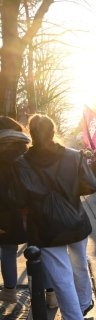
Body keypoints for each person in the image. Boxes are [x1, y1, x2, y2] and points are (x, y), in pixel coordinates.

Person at [11, 114, 96, 320]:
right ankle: (84, 303)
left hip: (45, 227)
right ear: (53, 131)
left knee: (61, 276)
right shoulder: (72, 156)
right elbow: (92, 185)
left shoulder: (21, 163)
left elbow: (18, 199)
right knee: (80, 264)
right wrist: (68, 192)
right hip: (75, 220)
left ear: (31, 134)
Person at [0, 119, 30, 303]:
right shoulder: (27, 152)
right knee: (36, 251)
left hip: (3, 213)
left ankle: (9, 291)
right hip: (29, 211)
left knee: (8, 250)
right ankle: (47, 295)